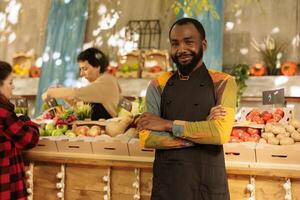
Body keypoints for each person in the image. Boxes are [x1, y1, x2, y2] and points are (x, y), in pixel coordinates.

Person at [136, 18, 237, 200]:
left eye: (188, 42)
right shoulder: (157, 85)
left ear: (203, 44)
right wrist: (203, 133)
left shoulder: (223, 82)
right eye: (175, 43)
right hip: (168, 184)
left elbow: (220, 134)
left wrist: (166, 124)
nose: (181, 49)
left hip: (208, 185)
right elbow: (147, 138)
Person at [43, 47, 121, 120]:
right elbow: (80, 106)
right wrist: (64, 95)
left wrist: (51, 92)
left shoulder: (106, 81)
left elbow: (76, 93)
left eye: (85, 69)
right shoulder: (102, 81)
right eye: (80, 69)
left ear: (97, 66)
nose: (81, 74)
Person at [0, 61, 40, 200]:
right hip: (5, 185)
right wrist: (29, 122)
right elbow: (29, 139)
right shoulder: (3, 111)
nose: (13, 87)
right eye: (10, 83)